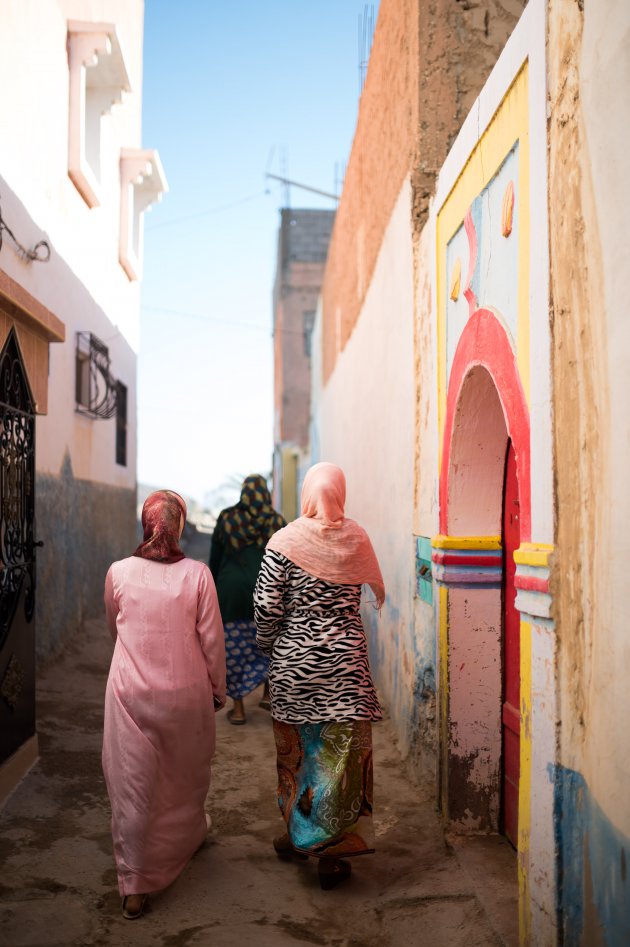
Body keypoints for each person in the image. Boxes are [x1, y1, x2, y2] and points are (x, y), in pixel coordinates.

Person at [253, 462, 385, 890]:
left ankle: (298, 835)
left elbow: (267, 608)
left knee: (298, 757)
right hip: (346, 669)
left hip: (295, 668)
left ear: (308, 492)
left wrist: (270, 647)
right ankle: (329, 851)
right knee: (340, 761)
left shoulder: (284, 542)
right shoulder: (357, 539)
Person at [102, 490, 226, 920]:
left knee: (133, 787)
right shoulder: (198, 575)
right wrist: (218, 689)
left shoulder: (118, 572)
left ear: (145, 523)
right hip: (186, 693)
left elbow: (114, 627)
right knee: (184, 778)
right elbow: (212, 641)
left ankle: (134, 886)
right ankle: (188, 837)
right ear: (179, 526)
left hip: (129, 694)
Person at [210, 474, 285, 725]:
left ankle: (239, 709)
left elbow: (216, 557)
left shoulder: (228, 518)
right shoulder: (276, 521)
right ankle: (267, 693)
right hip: (267, 588)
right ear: (265, 493)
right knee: (268, 642)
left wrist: (213, 587)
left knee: (234, 646)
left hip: (231, 590)